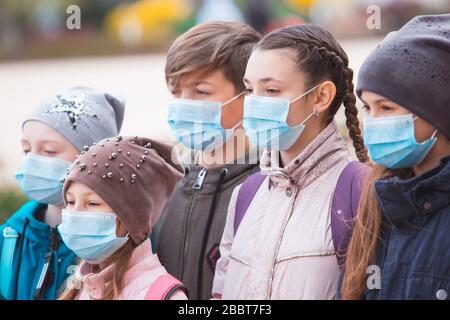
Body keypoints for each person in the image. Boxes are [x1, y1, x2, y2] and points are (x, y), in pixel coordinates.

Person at [212, 23, 370, 299]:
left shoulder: (360, 190)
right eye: (249, 90)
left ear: (321, 97)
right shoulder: (246, 194)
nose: (254, 103)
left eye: (272, 91)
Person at [340, 14, 450, 300]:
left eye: (386, 108)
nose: (373, 122)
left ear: (436, 111)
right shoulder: (380, 202)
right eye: (367, 108)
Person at [151, 21, 261, 300]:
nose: (184, 104)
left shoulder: (268, 188)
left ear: (248, 94)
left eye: (201, 92)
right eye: (177, 93)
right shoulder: (162, 186)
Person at [0, 87, 125, 300]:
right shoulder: (9, 237)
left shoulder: (110, 242)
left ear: (93, 157)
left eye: (49, 151)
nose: (32, 161)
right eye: (27, 150)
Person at [58, 137, 188, 300]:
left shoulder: (164, 295)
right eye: (70, 201)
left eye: (92, 203)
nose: (75, 214)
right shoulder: (82, 286)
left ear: (133, 217)